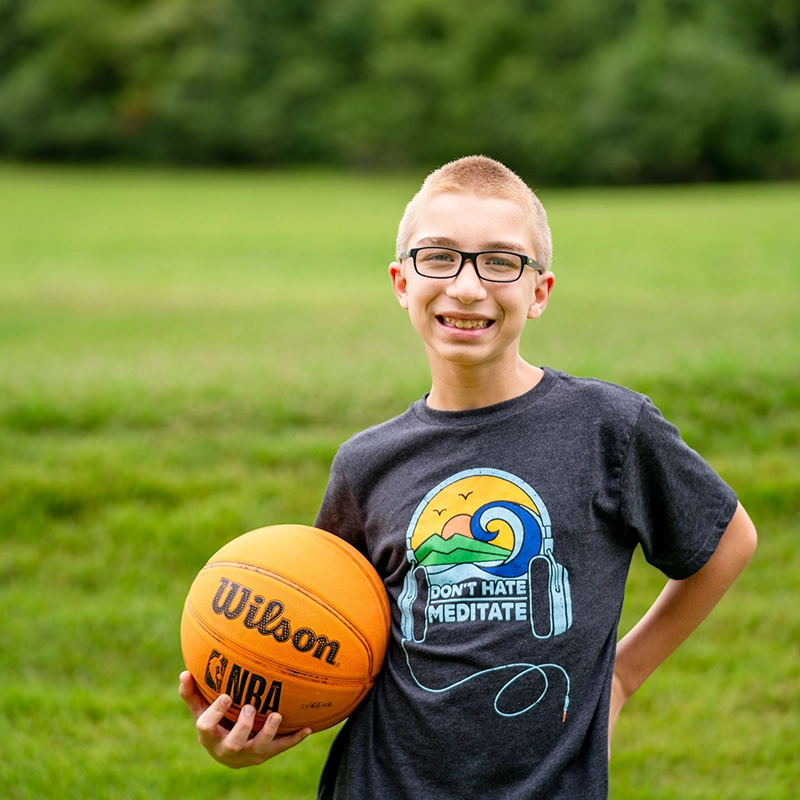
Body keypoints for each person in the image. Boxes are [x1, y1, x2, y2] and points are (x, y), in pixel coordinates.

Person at [180, 155, 757, 797]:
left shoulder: (609, 429)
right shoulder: (367, 463)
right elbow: (329, 641)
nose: (466, 286)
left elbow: (727, 541)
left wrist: (622, 676)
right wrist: (250, 730)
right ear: (403, 282)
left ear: (538, 292)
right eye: (440, 257)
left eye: (500, 261)